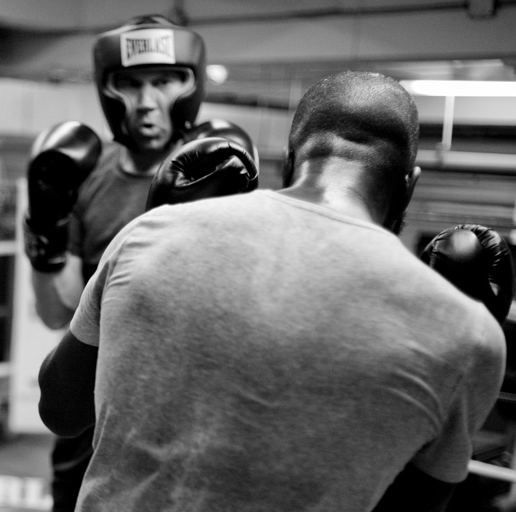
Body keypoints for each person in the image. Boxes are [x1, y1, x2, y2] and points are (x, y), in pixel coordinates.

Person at [38, 71, 507, 512]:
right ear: (410, 183)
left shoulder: (149, 236)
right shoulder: (467, 332)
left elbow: (60, 409)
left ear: (289, 159)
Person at [22, 14, 258, 512]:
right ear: (108, 91)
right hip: (95, 403)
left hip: (194, 404)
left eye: (165, 80)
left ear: (189, 86)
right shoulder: (85, 176)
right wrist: (44, 228)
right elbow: (55, 315)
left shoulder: (222, 172)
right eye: (130, 83)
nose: (147, 101)